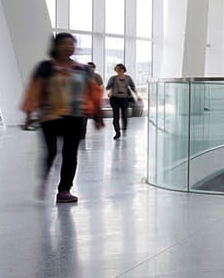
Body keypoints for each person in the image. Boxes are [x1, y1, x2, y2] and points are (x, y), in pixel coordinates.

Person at [20, 33, 104, 203]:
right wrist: (29, 114)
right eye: (64, 43)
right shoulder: (45, 67)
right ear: (55, 46)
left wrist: (97, 114)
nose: (68, 47)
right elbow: (34, 90)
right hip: (50, 117)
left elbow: (93, 92)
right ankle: (44, 180)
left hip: (75, 117)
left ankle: (64, 190)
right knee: (51, 152)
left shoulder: (82, 69)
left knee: (70, 154)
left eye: (71, 44)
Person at [106, 64, 140, 140]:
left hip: (124, 98)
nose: (118, 71)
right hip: (114, 98)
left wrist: (137, 96)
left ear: (123, 70)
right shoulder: (113, 78)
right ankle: (117, 132)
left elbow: (133, 87)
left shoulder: (128, 78)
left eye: (119, 70)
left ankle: (124, 126)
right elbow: (108, 87)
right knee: (116, 115)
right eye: (117, 70)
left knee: (125, 114)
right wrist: (111, 90)